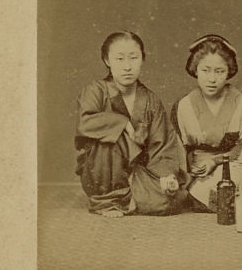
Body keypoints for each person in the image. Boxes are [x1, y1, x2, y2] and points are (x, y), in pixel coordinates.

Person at [75, 31, 186, 218]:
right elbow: (85, 124)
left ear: (142, 59)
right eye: (119, 59)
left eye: (134, 58)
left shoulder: (150, 99)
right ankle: (110, 200)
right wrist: (122, 122)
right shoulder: (95, 90)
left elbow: (163, 143)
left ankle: (129, 198)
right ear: (107, 60)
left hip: (138, 171)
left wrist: (167, 175)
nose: (127, 66)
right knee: (109, 136)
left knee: (165, 203)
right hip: (103, 170)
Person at [170, 34, 242, 212]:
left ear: (229, 72)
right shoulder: (184, 105)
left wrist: (216, 161)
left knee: (237, 177)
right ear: (195, 69)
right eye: (205, 70)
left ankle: (233, 203)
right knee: (205, 189)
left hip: (237, 165)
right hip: (200, 171)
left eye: (219, 71)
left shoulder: (241, 103)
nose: (212, 79)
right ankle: (241, 204)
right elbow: (178, 150)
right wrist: (187, 175)